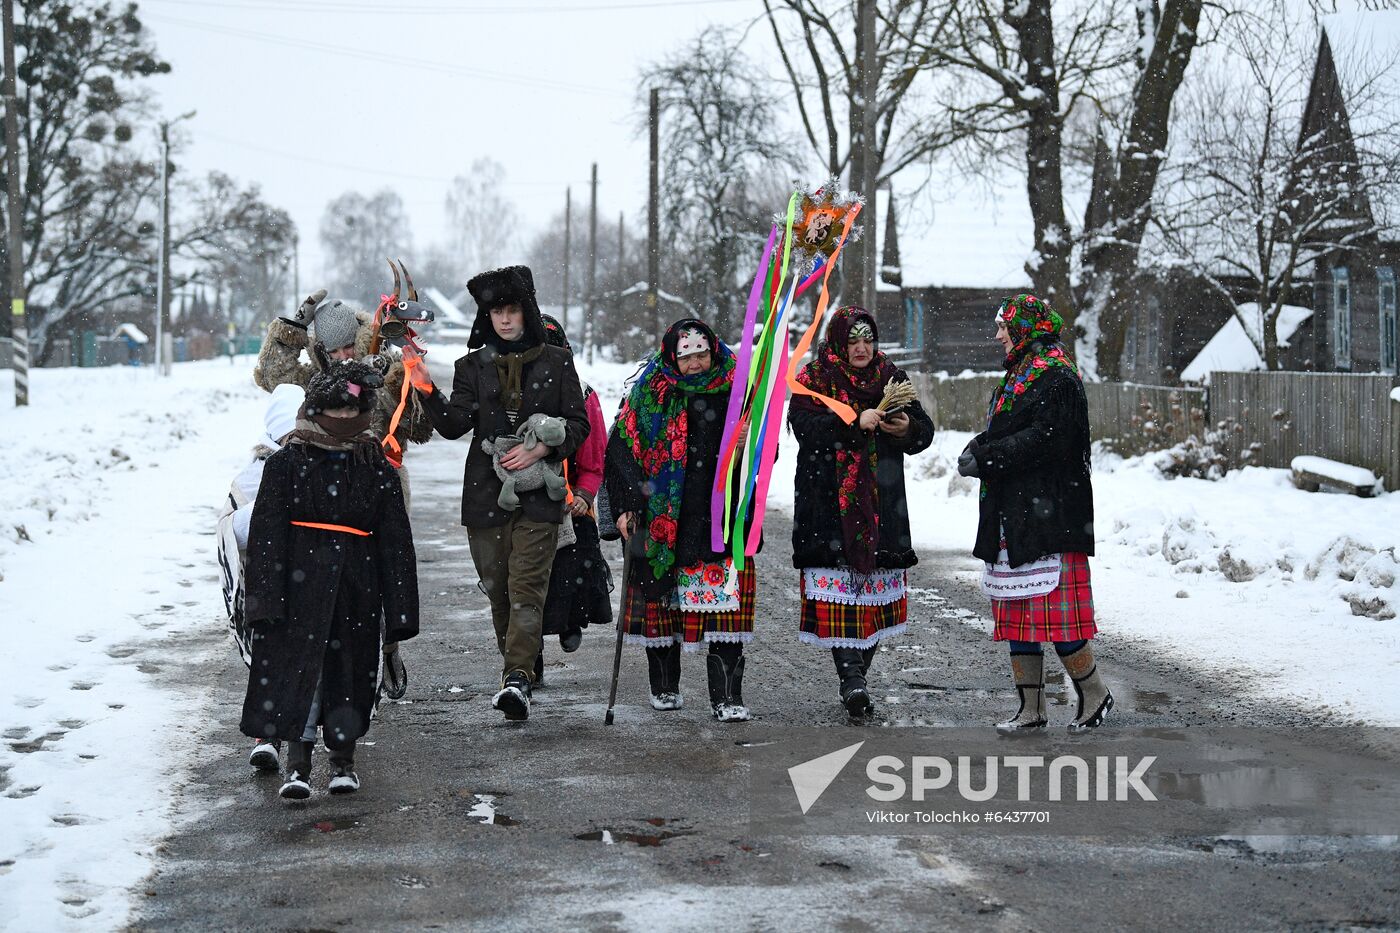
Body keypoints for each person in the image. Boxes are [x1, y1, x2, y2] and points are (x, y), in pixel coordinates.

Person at [241, 352, 419, 800]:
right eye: (335, 408)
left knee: (350, 675)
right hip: (296, 591)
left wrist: (398, 609)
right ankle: (297, 767)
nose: (343, 416)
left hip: (356, 591)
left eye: (351, 409)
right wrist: (263, 599)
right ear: (317, 410)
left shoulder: (375, 465)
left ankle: (343, 760)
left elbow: (395, 542)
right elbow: (266, 536)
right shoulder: (286, 464)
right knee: (301, 676)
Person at [414, 266, 589, 721]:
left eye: (512, 310)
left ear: (526, 312)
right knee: (499, 593)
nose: (505, 320)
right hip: (485, 495)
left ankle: (516, 679)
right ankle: (520, 665)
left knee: (526, 588)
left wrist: (543, 447)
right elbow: (454, 426)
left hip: (540, 498)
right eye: (496, 312)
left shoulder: (556, 361)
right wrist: (425, 387)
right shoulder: (472, 366)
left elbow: (579, 425)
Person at [252, 287, 432, 699]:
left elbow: (420, 428)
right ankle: (318, 675)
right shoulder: (312, 379)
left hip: (377, 492)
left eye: (351, 345)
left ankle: (388, 648)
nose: (345, 356)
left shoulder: (381, 369)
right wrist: (293, 326)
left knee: (382, 580)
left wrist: (394, 376)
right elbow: (270, 376)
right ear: (321, 350)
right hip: (318, 498)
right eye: (335, 350)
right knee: (323, 590)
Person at [957, 293, 1112, 733]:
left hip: (1048, 513)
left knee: (1057, 617)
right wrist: (982, 446)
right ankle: (1031, 708)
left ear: (1026, 328)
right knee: (1018, 616)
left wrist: (989, 457)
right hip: (1016, 512)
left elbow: (1046, 440)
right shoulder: (1022, 373)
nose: (999, 334)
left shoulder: (1056, 376)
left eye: (1005, 325)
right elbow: (1015, 432)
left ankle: (1095, 692)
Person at [604, 318, 757, 722]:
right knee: (662, 606)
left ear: (714, 352)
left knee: (725, 608)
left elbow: (766, 456)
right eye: (686, 356)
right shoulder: (650, 392)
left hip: (720, 519)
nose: (694, 363)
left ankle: (727, 696)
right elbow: (620, 450)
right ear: (673, 355)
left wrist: (751, 442)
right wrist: (625, 506)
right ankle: (665, 686)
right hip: (662, 517)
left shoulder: (737, 391)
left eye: (702, 354)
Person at [789, 306, 934, 717]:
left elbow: (923, 429)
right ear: (837, 342)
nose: (861, 347)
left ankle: (859, 674)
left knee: (873, 600)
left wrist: (906, 428)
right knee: (840, 600)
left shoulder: (892, 377)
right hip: (827, 503)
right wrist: (854, 423)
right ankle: (850, 678)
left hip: (882, 504)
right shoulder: (814, 380)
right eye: (852, 340)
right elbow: (806, 430)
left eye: (867, 339)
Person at [216, 383, 305, 772]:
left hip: (311, 580)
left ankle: (313, 737)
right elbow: (230, 531)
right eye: (289, 435)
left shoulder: (323, 464)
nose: (295, 441)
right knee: (270, 661)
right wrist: (269, 509)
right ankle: (266, 735)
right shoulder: (254, 477)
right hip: (268, 586)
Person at [533, 314, 612, 682]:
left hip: (569, 506)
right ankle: (525, 664)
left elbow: (594, 460)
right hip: (524, 508)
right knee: (524, 589)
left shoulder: (584, 397)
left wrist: (582, 495)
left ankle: (569, 621)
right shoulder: (509, 396)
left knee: (569, 576)